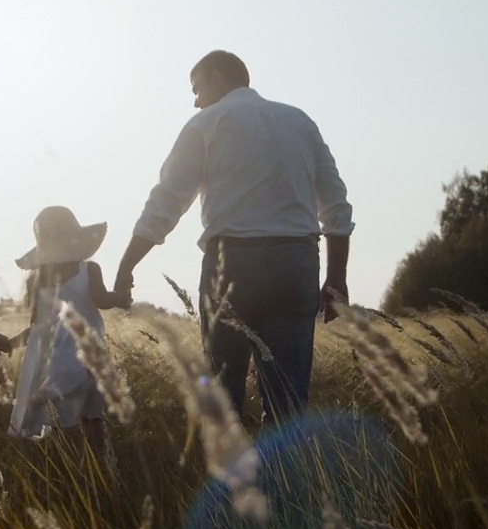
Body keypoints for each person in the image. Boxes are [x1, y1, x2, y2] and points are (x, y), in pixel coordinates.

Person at [113, 50, 354, 426]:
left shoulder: (206, 124)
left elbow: (167, 201)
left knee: (224, 398)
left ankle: (235, 481)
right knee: (289, 399)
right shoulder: (300, 122)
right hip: (296, 263)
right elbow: (336, 205)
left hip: (232, 265)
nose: (195, 100)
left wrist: (127, 263)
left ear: (218, 79)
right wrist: (336, 279)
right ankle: (286, 481)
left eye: (197, 88)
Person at [0, 206, 131, 455]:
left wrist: (10, 344)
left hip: (58, 362)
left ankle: (67, 470)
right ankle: (100, 469)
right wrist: (122, 297)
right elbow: (103, 300)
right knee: (92, 418)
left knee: (61, 421)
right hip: (90, 357)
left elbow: (37, 327)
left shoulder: (40, 278)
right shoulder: (90, 270)